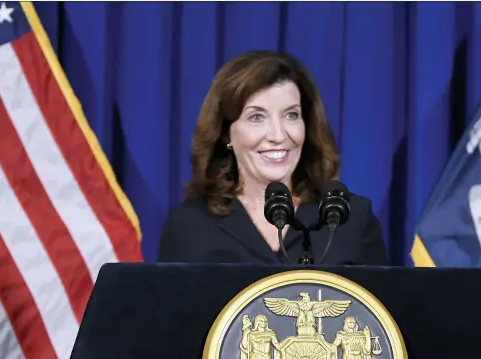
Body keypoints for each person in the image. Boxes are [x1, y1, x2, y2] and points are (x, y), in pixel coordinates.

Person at [158, 50, 388, 265]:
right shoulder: (189, 226)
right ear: (226, 132)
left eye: (291, 115)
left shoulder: (350, 219)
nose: (278, 135)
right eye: (257, 117)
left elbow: (379, 308)